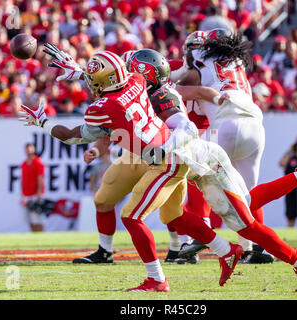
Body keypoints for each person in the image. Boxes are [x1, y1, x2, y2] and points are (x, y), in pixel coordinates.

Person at [21, 47, 241, 292]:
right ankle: (227, 250)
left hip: (167, 159)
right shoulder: (136, 81)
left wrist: (43, 120)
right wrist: (81, 73)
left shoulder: (103, 107)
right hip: (160, 155)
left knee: (134, 216)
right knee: (145, 209)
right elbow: (113, 83)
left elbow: (74, 136)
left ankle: (158, 280)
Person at [174, 30, 271, 264]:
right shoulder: (237, 61)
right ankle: (257, 248)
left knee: (195, 175)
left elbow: (184, 85)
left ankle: (196, 240)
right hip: (255, 126)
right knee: (249, 194)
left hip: (225, 124)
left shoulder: (198, 61)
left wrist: (165, 86)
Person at [20, 143, 45, 232]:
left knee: (37, 219)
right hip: (26, 195)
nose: (29, 151)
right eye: (27, 149)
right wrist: (22, 195)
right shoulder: (24, 164)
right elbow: (22, 180)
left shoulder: (38, 162)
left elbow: (40, 179)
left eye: (30, 149)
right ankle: (34, 239)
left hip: (35, 195)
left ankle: (40, 239)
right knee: (30, 220)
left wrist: (38, 194)